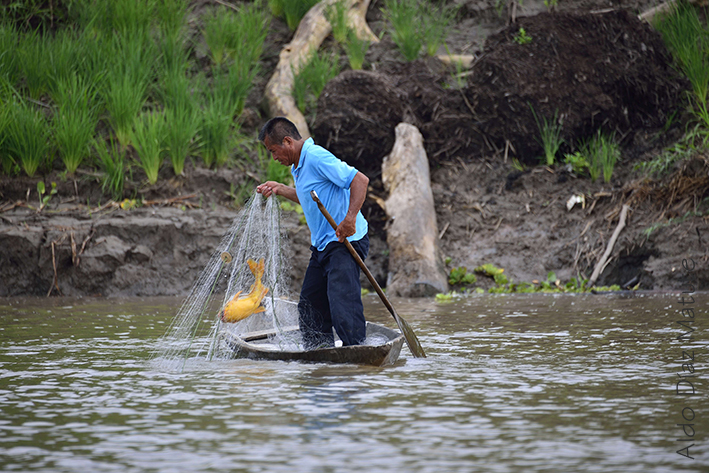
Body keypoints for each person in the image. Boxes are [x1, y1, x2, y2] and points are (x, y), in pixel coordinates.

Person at [256, 117, 370, 349]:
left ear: (288, 141)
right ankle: (319, 357)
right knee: (310, 307)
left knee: (342, 306)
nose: (274, 157)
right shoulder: (299, 165)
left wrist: (349, 220)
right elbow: (311, 198)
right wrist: (280, 188)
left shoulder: (316, 156)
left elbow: (360, 180)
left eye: (273, 151)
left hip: (344, 241)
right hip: (322, 246)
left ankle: (359, 357)